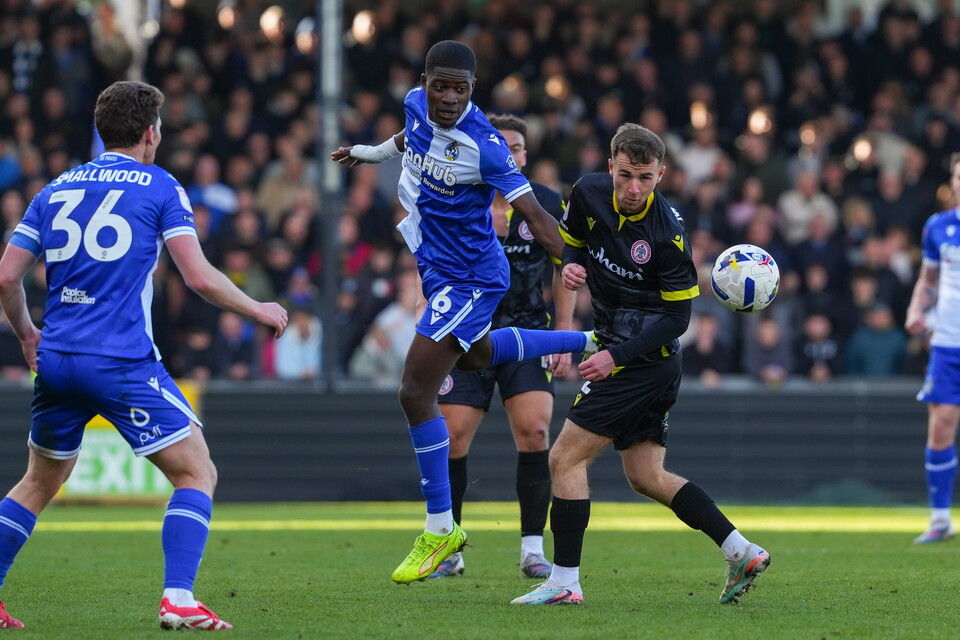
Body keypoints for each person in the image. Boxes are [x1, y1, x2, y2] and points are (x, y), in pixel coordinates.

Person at [0, 81, 288, 630]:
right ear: (151, 133)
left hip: (57, 359)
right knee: (196, 472)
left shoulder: (55, 188)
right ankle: (178, 598)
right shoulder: (160, 187)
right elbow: (198, 278)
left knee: (37, 482)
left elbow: (7, 276)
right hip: (120, 360)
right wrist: (258, 307)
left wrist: (26, 335)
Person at [332, 40, 595, 584]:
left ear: (473, 90)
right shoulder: (413, 103)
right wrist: (370, 153)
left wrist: (575, 263)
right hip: (436, 265)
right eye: (441, 86)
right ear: (424, 81)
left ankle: (439, 529)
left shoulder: (488, 147)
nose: (449, 98)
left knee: (413, 392)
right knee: (476, 358)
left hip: (473, 279)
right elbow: (410, 138)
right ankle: (586, 342)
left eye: (461, 88)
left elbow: (538, 218)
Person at [511, 124, 770, 606]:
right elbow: (572, 241)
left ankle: (564, 583)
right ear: (610, 166)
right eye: (626, 175)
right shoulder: (587, 192)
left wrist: (614, 356)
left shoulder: (669, 235)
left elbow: (678, 318)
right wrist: (570, 263)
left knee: (564, 459)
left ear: (661, 175)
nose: (634, 188)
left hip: (643, 363)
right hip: (633, 359)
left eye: (645, 178)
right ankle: (740, 549)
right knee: (646, 476)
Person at [428, 114, 577, 580]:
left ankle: (532, 550)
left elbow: (565, 268)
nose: (508, 155)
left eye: (516, 149)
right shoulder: (458, 196)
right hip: (466, 332)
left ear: (525, 156)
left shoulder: (547, 203)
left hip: (528, 333)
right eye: (500, 147)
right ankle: (448, 547)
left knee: (535, 431)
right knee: (450, 439)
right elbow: (429, 262)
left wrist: (564, 332)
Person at [904, 152, 960, 544]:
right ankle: (940, 518)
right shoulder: (938, 227)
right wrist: (915, 309)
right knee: (940, 426)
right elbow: (929, 278)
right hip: (948, 343)